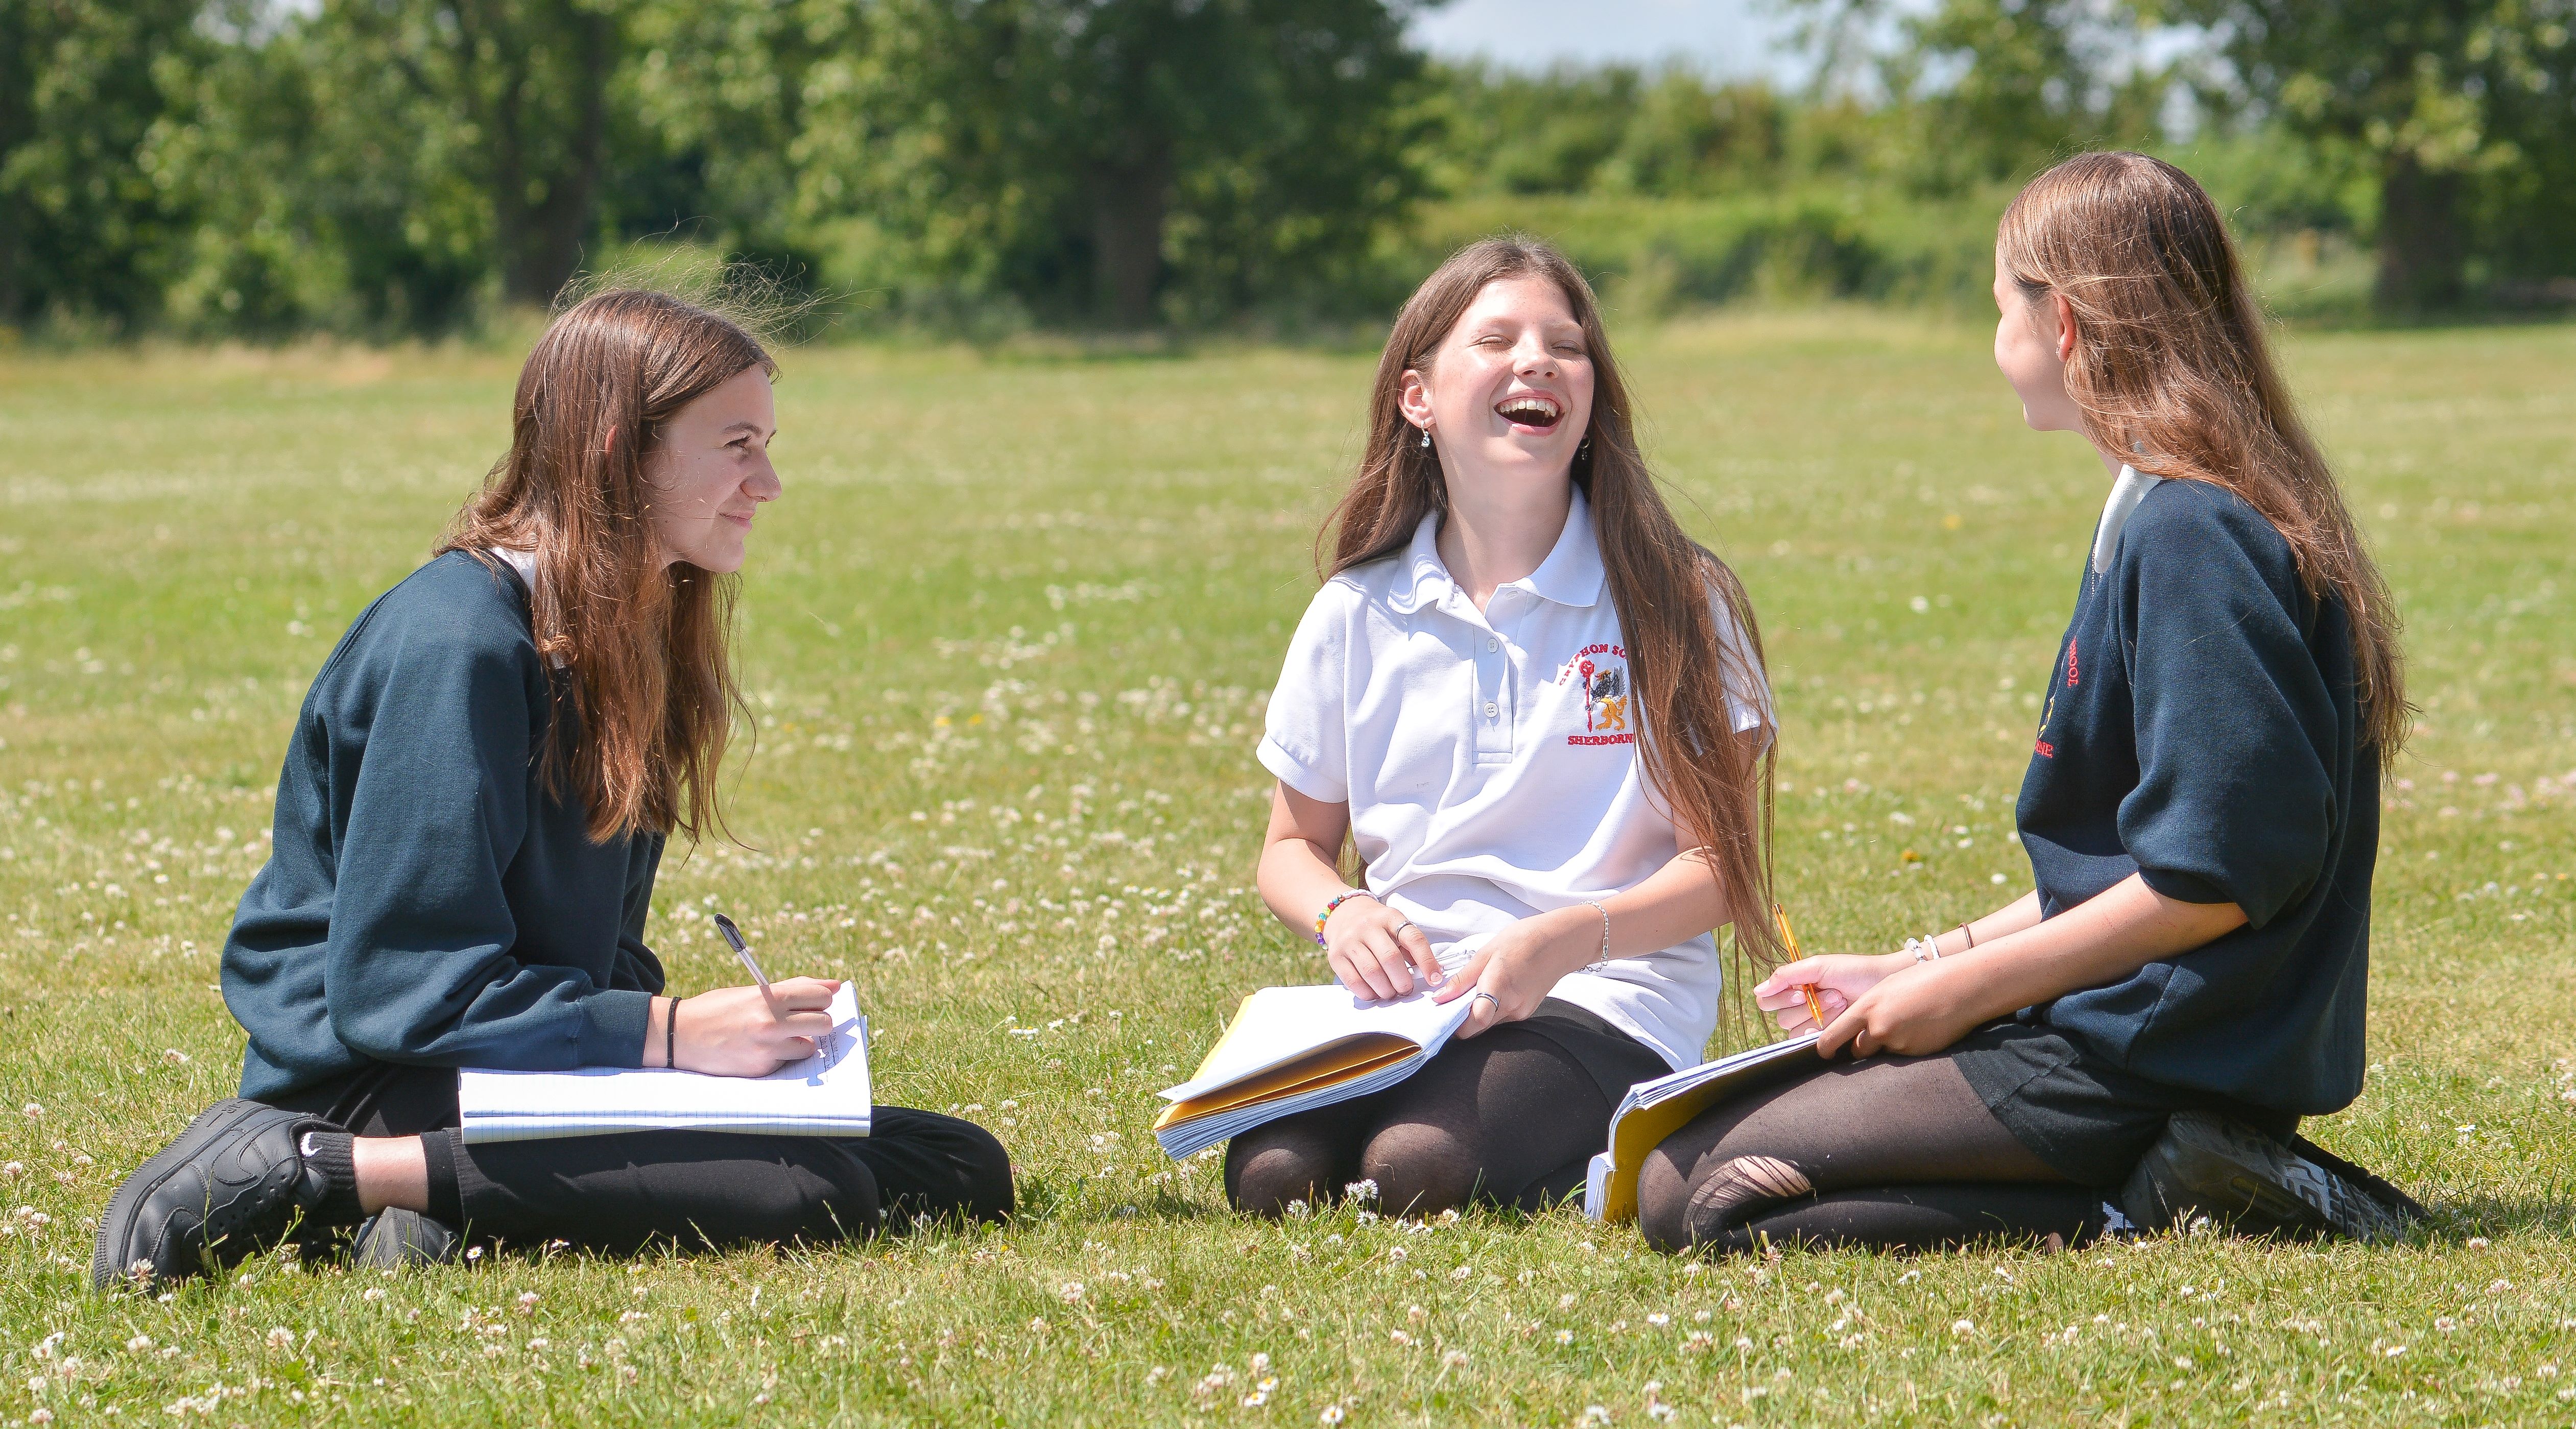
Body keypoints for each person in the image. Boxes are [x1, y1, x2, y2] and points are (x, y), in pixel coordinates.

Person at [95, 289, 1011, 1291]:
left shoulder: (630, 630)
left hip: (516, 1066)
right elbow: (404, 993)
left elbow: (591, 946)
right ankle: (318, 1174)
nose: (770, 482)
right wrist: (665, 1035)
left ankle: (431, 1205)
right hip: (376, 1078)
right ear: (622, 449)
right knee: (803, 1186)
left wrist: (695, 1054)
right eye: (738, 444)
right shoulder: (460, 641)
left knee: (956, 1163)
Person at [1636, 152, 2420, 1257]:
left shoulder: (2191, 530)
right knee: (1675, 1176)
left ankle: (2181, 1185)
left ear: (2058, 324)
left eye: (1995, 302)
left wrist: (1966, 993)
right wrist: (1921, 962)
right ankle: (2173, 1177)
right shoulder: (2158, 506)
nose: (1990, 333)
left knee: (1705, 1199)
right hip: (2116, 1030)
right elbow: (2125, 859)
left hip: (2148, 1054)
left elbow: (2216, 877)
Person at [1227, 237, 1780, 1219]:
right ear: (1418, 400)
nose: (1537, 361)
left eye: (1566, 346)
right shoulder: (1357, 609)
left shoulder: (1677, 598)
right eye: (1497, 339)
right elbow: (1292, 850)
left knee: (1416, 1169)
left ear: (1591, 401)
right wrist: (1342, 914)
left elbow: (1722, 869)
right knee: (1271, 1177)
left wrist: (1566, 939)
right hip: (1409, 1009)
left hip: (1604, 995)